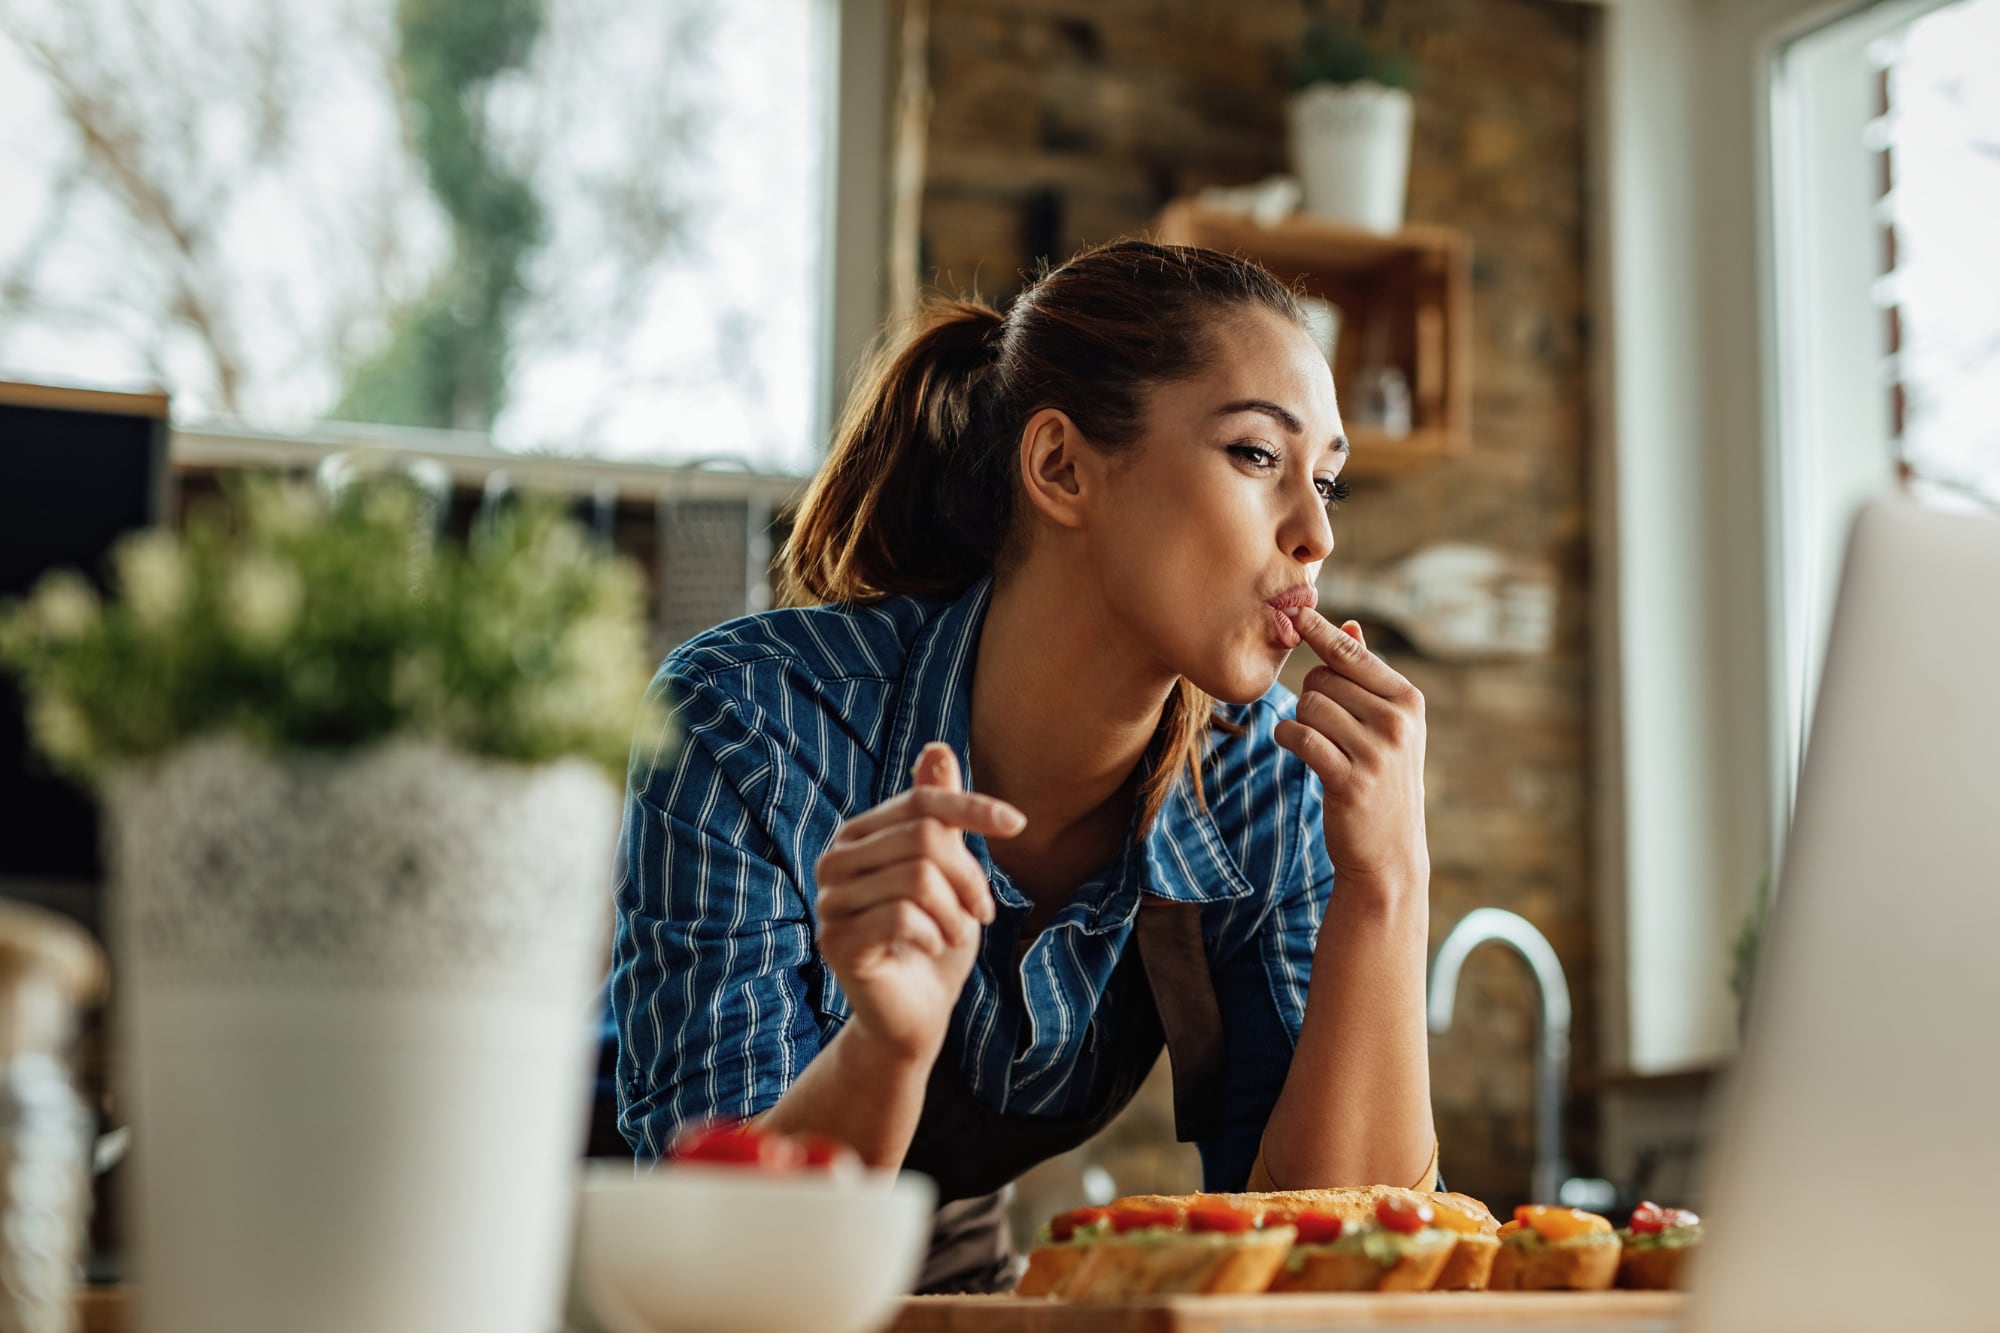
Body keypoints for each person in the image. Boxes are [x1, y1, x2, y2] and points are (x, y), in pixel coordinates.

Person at [610, 239, 1435, 1292]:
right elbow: (715, 1266)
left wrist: (1387, 884)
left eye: (1327, 482)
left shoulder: (1266, 785)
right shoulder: (751, 721)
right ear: (1060, 468)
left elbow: (1336, 1265)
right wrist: (884, 1047)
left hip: (947, 1273)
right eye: (1255, 456)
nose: (1314, 532)